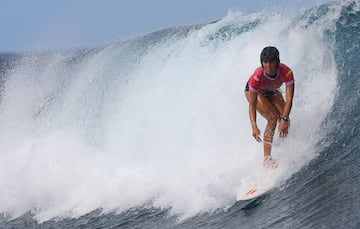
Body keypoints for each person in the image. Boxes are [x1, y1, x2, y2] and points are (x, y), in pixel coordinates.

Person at [245, 46, 295, 169]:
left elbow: (289, 99)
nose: (268, 66)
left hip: (271, 90)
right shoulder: (257, 76)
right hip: (255, 92)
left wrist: (284, 119)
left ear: (277, 62)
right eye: (265, 62)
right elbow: (251, 105)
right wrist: (254, 126)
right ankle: (267, 158)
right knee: (272, 118)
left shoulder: (286, 72)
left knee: (285, 118)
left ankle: (283, 145)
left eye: (271, 62)